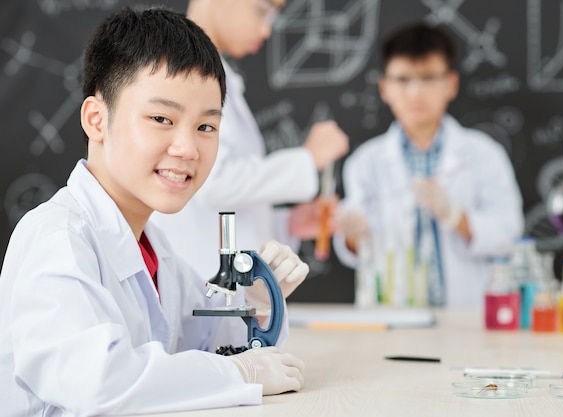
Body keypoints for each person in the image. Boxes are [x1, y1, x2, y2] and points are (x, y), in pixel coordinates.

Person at [0, 7, 308, 416]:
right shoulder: (57, 240)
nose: (187, 148)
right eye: (161, 118)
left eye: (206, 127)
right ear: (96, 119)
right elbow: (98, 384)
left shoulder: (155, 248)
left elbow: (212, 341)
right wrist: (240, 373)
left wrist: (260, 301)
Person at [150, 0, 349, 280]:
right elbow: (211, 182)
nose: (267, 30)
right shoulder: (180, 72)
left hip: (219, 287)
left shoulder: (217, 75)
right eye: (263, 10)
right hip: (196, 288)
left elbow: (224, 210)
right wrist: (308, 159)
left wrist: (287, 224)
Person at [334, 22, 524, 308]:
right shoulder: (365, 162)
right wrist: (351, 234)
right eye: (403, 79)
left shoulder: (484, 154)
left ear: (451, 84)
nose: (415, 92)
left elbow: (509, 234)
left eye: (428, 78)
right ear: (384, 88)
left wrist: (456, 218)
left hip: (468, 316)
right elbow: (354, 249)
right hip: (390, 314)